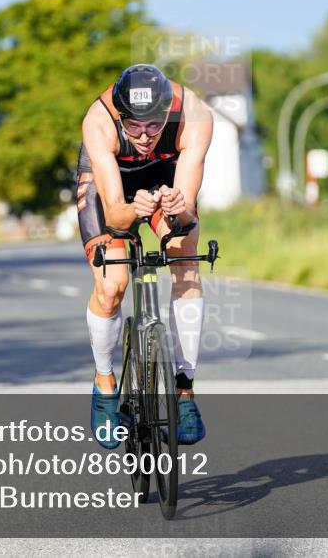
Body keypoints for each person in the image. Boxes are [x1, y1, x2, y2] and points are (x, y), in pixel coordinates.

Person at [75, 64, 213, 448]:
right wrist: (133, 209)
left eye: (154, 125)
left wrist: (176, 207)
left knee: (184, 260)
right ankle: (105, 385)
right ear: (121, 115)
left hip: (165, 180)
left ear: (167, 112)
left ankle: (184, 391)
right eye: (134, 126)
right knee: (112, 285)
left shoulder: (194, 115)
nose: (145, 135)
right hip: (115, 189)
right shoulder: (99, 122)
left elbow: (184, 217)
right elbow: (115, 214)